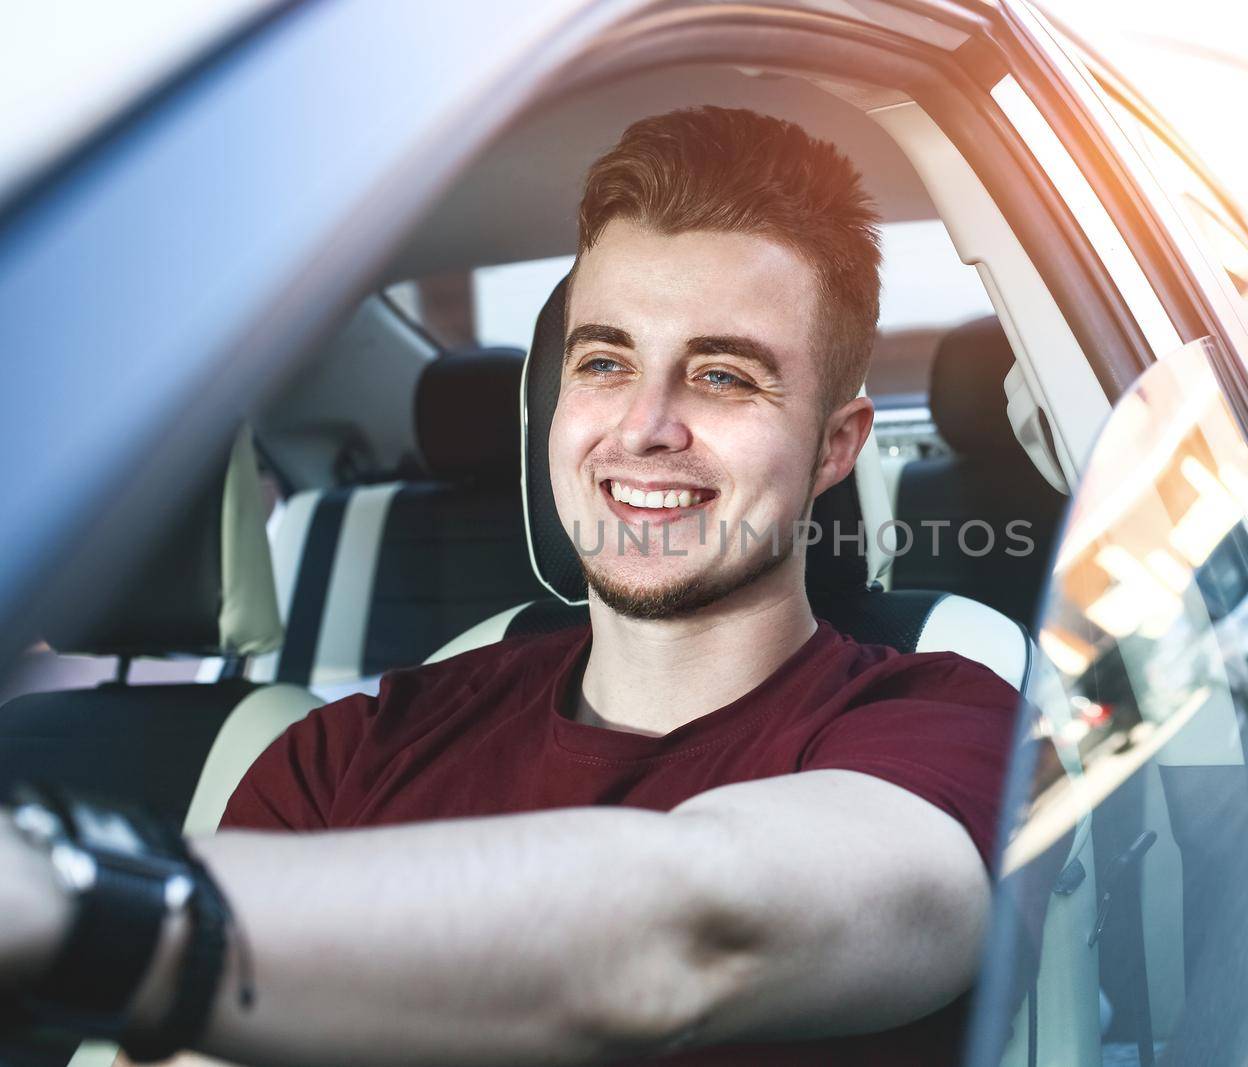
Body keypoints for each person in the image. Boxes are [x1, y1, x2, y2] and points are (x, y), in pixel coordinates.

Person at [0, 106, 1021, 1066]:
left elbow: (697, 931)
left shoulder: (949, 726)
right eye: (604, 362)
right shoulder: (352, 750)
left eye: (722, 375)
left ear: (836, 445)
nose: (644, 425)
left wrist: (78, 898)